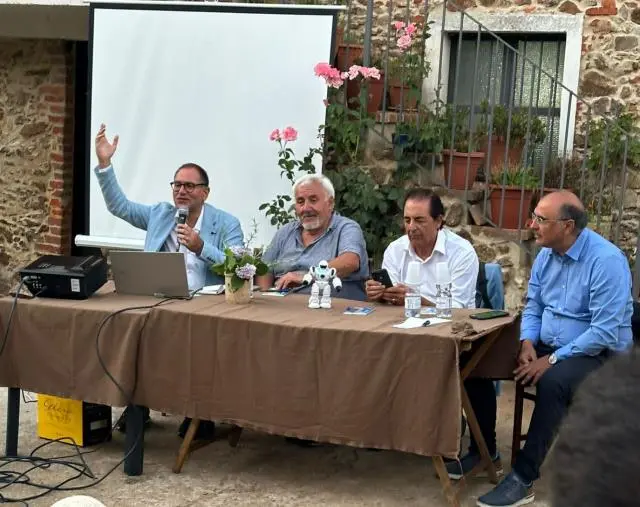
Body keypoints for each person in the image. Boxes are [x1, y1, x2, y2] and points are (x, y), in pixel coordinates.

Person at [471, 190, 633, 507]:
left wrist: (551, 360)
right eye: (534, 216)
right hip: (549, 343)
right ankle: (482, 450)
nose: (532, 224)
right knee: (478, 358)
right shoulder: (546, 254)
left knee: (554, 381)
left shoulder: (606, 261)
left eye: (541, 219)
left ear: (567, 226)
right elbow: (533, 306)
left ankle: (523, 477)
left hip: (599, 353)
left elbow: (603, 331)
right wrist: (528, 342)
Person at [94, 123, 244, 441]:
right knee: (128, 332)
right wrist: (105, 164)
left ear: (205, 191)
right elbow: (118, 206)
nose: (181, 191)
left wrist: (200, 246)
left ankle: (197, 414)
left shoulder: (226, 223)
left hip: (204, 303)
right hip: (158, 296)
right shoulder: (160, 213)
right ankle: (137, 407)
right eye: (176, 184)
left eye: (190, 186)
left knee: (194, 343)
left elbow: (237, 267)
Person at [257, 173, 369, 301]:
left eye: (313, 200)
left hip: (332, 308)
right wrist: (263, 296)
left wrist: (306, 276)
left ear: (330, 203)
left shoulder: (346, 228)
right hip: (283, 306)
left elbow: (350, 261)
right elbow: (264, 269)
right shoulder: (285, 232)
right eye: (300, 202)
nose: (306, 208)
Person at [550, 352, 640, 507]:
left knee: (551, 383)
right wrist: (528, 341)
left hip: (594, 353)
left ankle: (524, 475)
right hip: (555, 352)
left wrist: (554, 357)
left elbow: (601, 334)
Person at [365, 188, 479, 308]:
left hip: (451, 324)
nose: (411, 227)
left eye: (419, 220)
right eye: (407, 220)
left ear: (438, 221)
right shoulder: (395, 249)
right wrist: (379, 293)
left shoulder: (461, 252)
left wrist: (415, 299)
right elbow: (391, 298)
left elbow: (458, 308)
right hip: (403, 321)